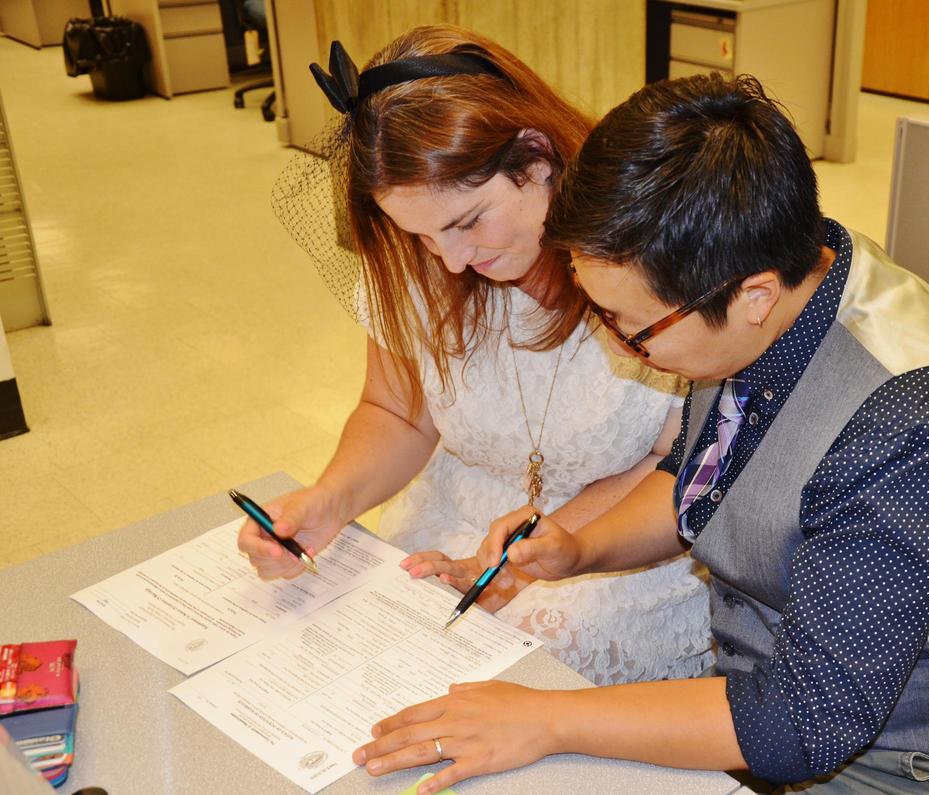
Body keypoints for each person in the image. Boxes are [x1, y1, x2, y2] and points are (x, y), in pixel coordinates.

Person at [353, 73, 929, 794]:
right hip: (770, 700)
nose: (622, 347)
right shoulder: (775, 278)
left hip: (919, 766)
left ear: (751, 296)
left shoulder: (918, 427)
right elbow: (708, 480)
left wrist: (552, 718)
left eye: (632, 330)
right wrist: (576, 548)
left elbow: (805, 723)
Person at [237, 26, 713, 686]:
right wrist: (329, 499)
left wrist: (531, 556)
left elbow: (683, 454)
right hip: (459, 516)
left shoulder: (642, 256)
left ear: (537, 154)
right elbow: (396, 412)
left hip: (621, 538)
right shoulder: (426, 259)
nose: (453, 260)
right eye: (422, 235)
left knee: (524, 671)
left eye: (467, 221)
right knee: (356, 648)